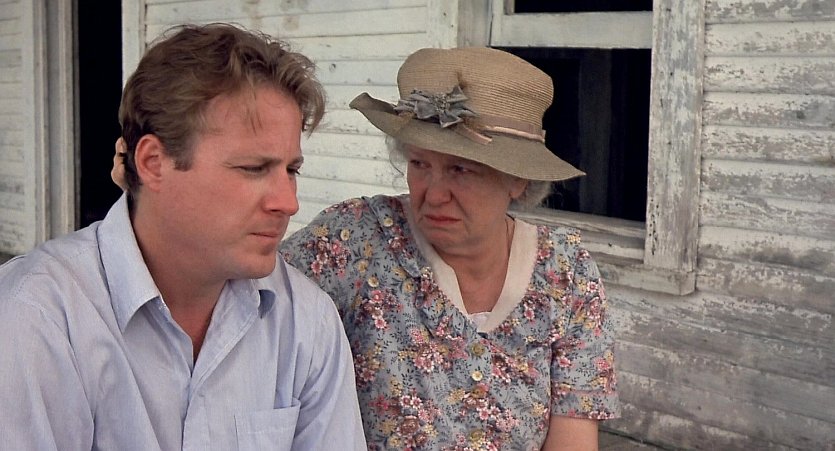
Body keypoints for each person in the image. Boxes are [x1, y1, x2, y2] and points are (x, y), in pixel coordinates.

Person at [0, 23, 366, 450]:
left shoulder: (305, 321)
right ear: (153, 163)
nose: (288, 202)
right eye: (253, 169)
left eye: (291, 170)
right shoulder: (39, 317)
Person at [279, 47, 620, 449]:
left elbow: (573, 439)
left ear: (518, 180)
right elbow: (249, 308)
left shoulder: (567, 273)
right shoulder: (354, 240)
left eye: (461, 169)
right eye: (420, 164)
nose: (434, 194)